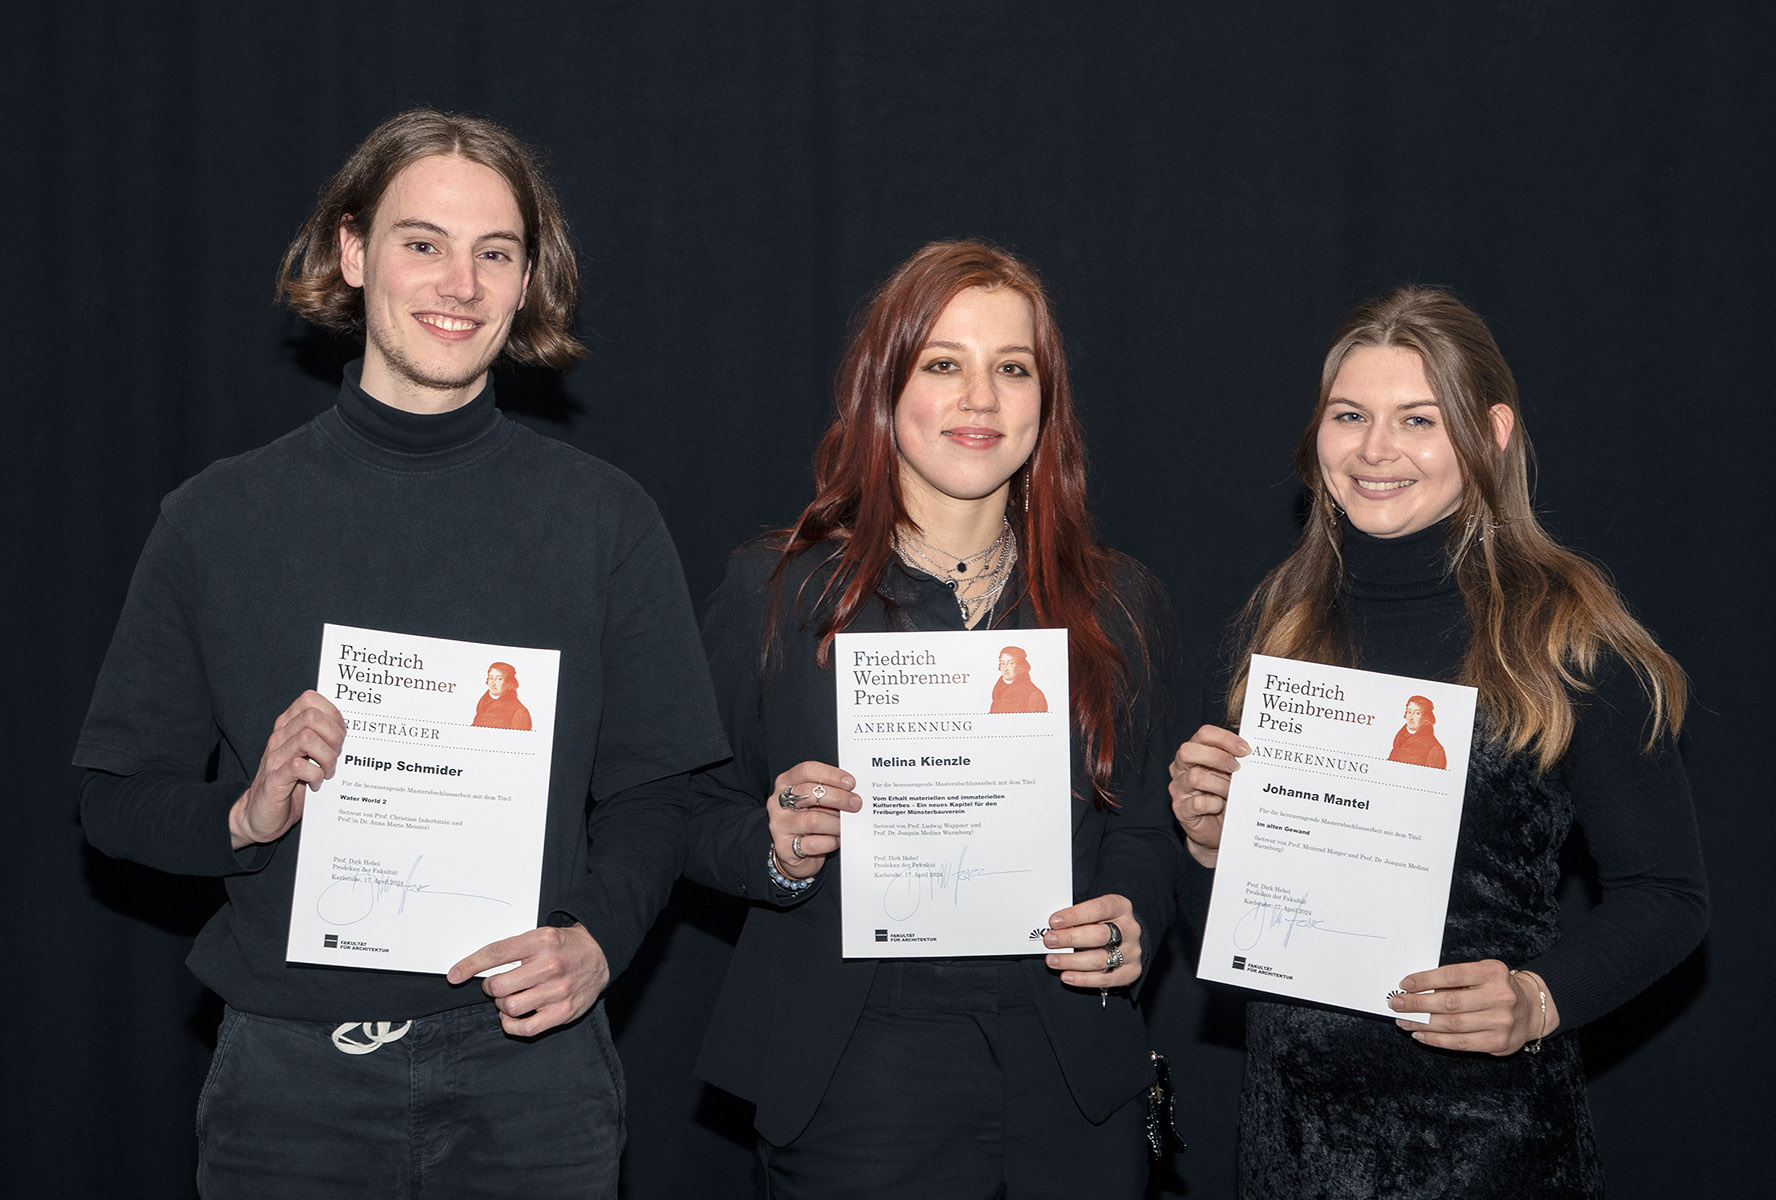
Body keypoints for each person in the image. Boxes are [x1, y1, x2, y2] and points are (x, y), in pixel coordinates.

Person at [74, 109, 727, 1197]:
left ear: (527, 284)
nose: (458, 285)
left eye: (496, 253)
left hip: (533, 1082)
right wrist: (244, 816)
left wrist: (598, 939)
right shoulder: (217, 519)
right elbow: (112, 796)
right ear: (350, 251)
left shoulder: (604, 519)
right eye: (423, 242)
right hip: (287, 1083)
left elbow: (659, 792)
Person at [1168, 286, 1708, 1198]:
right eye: (1350, 416)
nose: (1376, 451)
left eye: (1418, 420)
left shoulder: (1567, 641)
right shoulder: (1281, 631)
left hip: (1490, 1145)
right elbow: (1218, 934)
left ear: (1489, 433)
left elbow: (1670, 895)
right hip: (1288, 1144)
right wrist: (1207, 846)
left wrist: (1540, 999)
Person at [683, 240, 1181, 1199]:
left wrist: (1132, 920)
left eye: (1012, 368)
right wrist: (777, 846)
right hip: (856, 1079)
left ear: (1048, 400)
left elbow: (1148, 831)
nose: (980, 400)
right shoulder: (777, 594)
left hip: (1068, 1077)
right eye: (943, 364)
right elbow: (687, 814)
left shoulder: (1119, 605)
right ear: (885, 385)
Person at [1386, 693, 1445, 767]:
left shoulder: (1434, 749)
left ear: (1426, 717)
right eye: (1409, 712)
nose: (1411, 717)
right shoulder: (1398, 742)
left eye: (1417, 713)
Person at [989, 644, 1050, 713]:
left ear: (1020, 666)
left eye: (1011, 663)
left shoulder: (1034, 694)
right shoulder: (997, 692)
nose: (1005, 668)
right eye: (1003, 663)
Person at [472, 660, 532, 729]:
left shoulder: (520, 712)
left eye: (499, 679)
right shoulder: (482, 706)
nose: (493, 683)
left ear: (509, 683)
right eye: (491, 678)